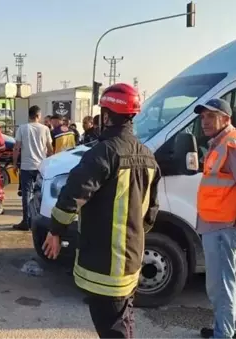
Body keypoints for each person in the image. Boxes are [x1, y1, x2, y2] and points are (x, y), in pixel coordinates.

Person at [42, 83, 161, 339]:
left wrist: (55, 230)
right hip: (131, 261)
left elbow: (73, 194)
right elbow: (151, 212)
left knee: (114, 331)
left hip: (105, 267)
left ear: (106, 116)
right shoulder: (148, 156)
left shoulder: (105, 152)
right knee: (123, 321)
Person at [194, 98, 236, 339]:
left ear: (226, 118)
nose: (204, 122)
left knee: (220, 286)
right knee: (225, 281)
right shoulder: (222, 142)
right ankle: (230, 330)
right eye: (202, 117)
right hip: (218, 223)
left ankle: (223, 334)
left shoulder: (231, 144)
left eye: (210, 116)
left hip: (223, 226)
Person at [12, 105, 53, 230]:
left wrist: (14, 163)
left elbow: (16, 147)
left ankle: (26, 221)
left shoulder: (22, 128)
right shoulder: (45, 129)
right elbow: (50, 148)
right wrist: (50, 163)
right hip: (41, 167)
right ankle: (43, 221)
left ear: (29, 115)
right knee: (43, 194)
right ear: (38, 116)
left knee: (26, 194)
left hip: (26, 166)